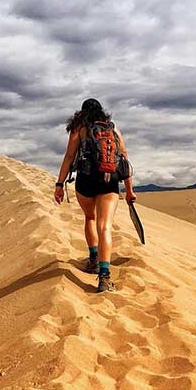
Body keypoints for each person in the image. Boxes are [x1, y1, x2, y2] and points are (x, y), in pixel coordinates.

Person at [54, 98, 136, 293]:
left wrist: (59, 184)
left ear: (82, 113)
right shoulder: (112, 129)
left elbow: (69, 157)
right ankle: (105, 277)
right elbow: (124, 159)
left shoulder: (79, 128)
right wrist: (129, 190)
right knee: (105, 226)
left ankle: (93, 259)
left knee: (90, 218)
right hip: (110, 180)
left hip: (86, 180)